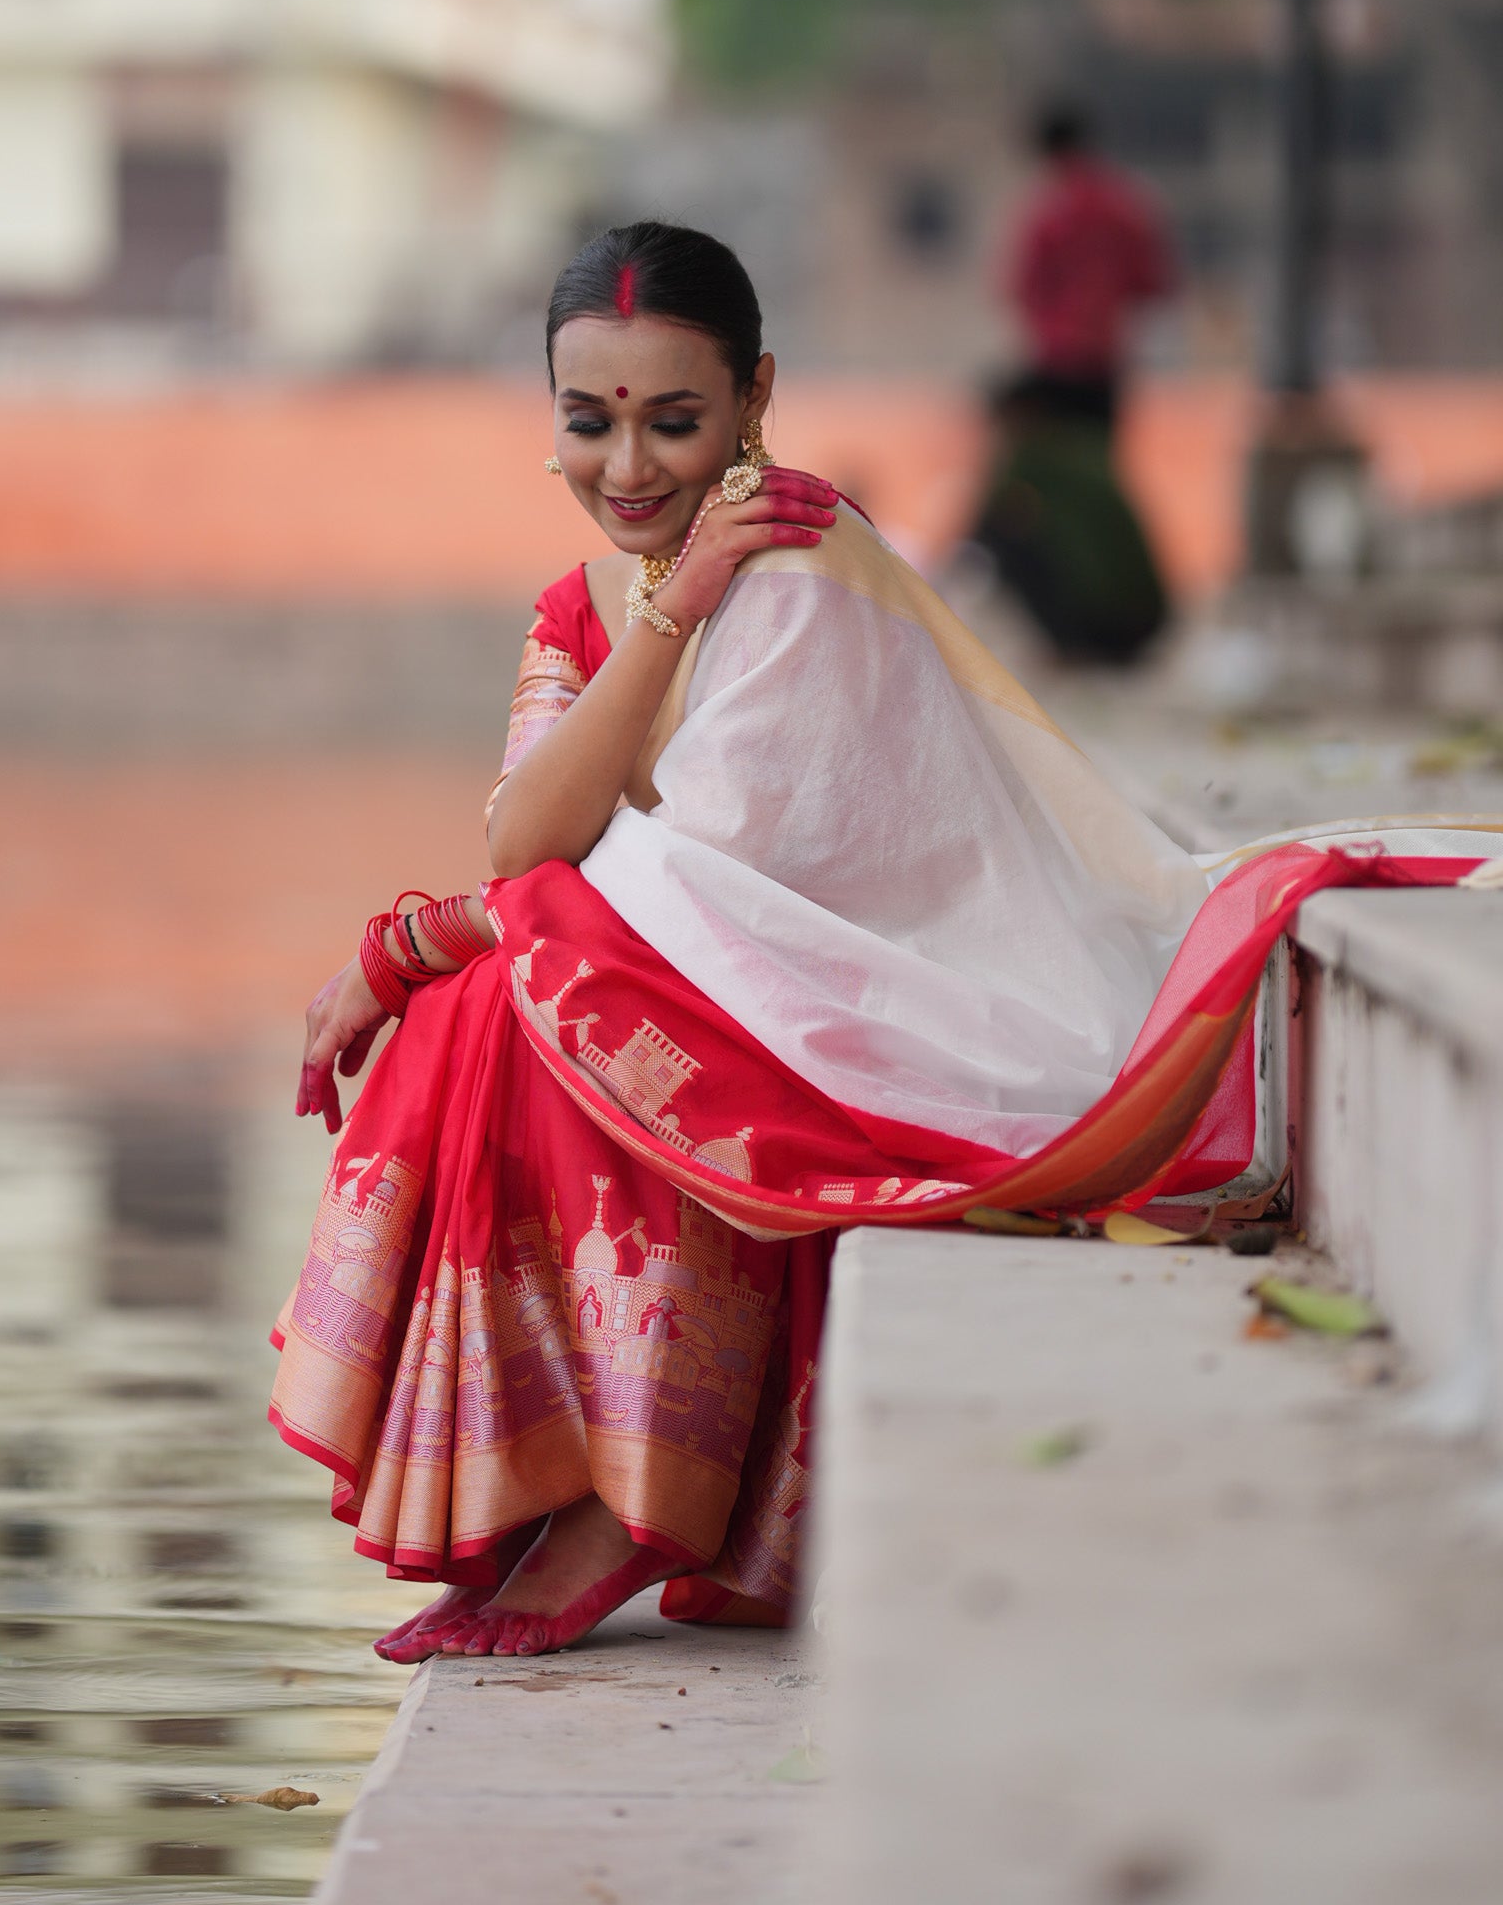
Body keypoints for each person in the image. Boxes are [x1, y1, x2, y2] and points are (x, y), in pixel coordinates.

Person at [272, 221, 1501, 1664]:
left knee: (509, 988)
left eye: (676, 420)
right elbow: (530, 845)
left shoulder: (804, 556)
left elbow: (728, 880)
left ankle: (638, 1494)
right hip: (720, 1010)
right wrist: (666, 617)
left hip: (876, 1016)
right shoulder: (593, 600)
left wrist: (404, 946)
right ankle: (561, 1461)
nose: (629, 468)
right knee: (500, 989)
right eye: (589, 420)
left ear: (756, 397)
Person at [969, 101, 1175, 662]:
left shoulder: (1046, 212)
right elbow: (1154, 286)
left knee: (1038, 504)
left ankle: (1071, 629)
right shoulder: (1126, 207)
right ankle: (1101, 609)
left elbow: (1018, 290)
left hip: (1056, 372)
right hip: (1105, 372)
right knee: (1097, 493)